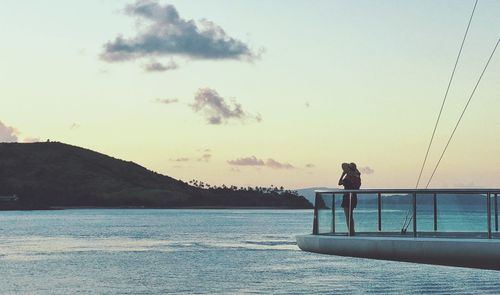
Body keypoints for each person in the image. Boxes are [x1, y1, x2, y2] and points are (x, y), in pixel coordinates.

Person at [338, 162, 361, 236]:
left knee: (348, 216)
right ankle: (352, 231)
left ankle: (350, 232)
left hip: (347, 197)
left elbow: (339, 183)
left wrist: (343, 174)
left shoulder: (348, 178)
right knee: (350, 216)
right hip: (354, 197)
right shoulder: (357, 178)